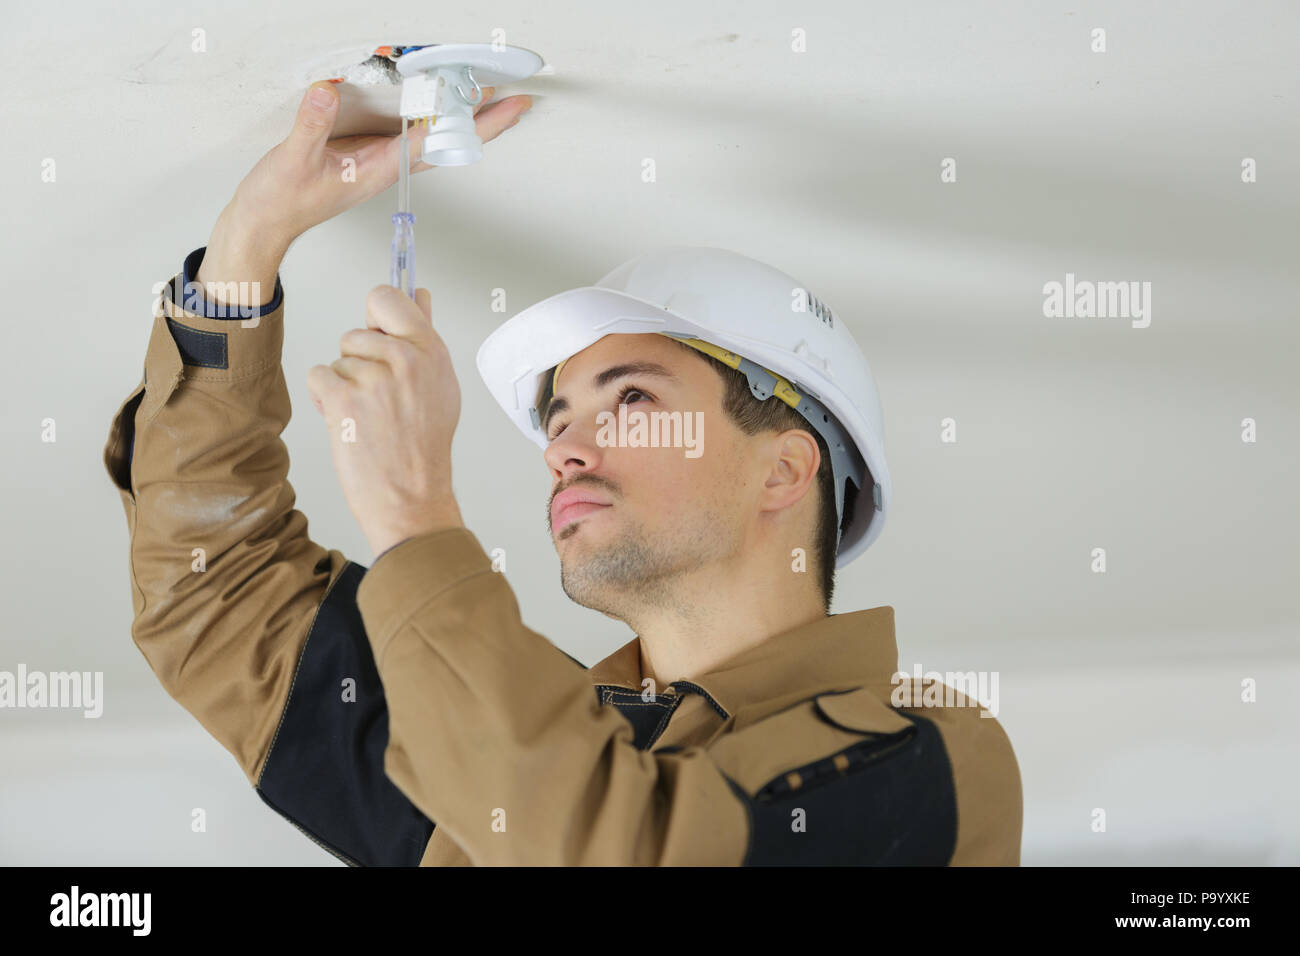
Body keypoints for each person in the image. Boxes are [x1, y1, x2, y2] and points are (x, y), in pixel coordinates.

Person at [104, 81, 1022, 866]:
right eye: (560, 419)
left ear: (783, 468)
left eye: (631, 402)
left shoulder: (931, 759)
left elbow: (620, 845)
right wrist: (244, 249)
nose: (565, 450)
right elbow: (212, 590)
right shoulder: (491, 739)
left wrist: (417, 512)